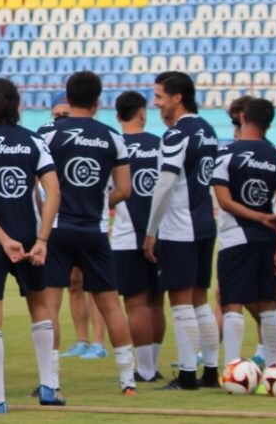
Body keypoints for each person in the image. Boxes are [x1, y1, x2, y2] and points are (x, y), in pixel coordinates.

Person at [0, 78, 60, 414]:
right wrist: (42, 239)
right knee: (41, 309)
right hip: (30, 237)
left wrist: (3, 240)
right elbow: (54, 192)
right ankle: (48, 387)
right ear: (18, 104)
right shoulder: (34, 141)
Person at [40, 72, 138, 400]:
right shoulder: (112, 137)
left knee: (49, 306)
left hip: (56, 229)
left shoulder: (48, 134)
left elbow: (35, 184)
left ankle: (51, 381)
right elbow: (124, 189)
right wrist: (98, 202)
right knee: (110, 304)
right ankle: (128, 380)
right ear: (98, 102)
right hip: (94, 230)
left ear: (67, 98)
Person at [143, 72, 221, 391]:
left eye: (160, 96)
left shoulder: (176, 135)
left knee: (180, 302)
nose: (156, 103)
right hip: (205, 223)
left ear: (178, 98)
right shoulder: (209, 130)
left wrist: (151, 231)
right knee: (200, 300)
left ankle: (188, 374)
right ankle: (211, 372)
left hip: (180, 226)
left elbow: (164, 186)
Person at [210, 98, 276, 371]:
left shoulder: (225, 154)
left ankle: (233, 369)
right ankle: (273, 368)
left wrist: (257, 217)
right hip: (268, 240)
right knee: (267, 302)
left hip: (236, 237)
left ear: (242, 116)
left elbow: (224, 201)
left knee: (232, 301)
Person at [43, 92, 105, 360]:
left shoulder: (94, 141)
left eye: (65, 115)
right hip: (61, 219)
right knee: (73, 282)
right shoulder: (50, 142)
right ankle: (82, 339)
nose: (60, 120)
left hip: (89, 219)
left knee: (95, 285)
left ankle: (99, 342)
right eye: (57, 116)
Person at [111, 91, 166, 383]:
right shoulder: (160, 145)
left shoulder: (115, 147)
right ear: (142, 113)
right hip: (161, 233)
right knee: (157, 301)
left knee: (136, 303)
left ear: (118, 116)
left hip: (127, 234)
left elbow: (111, 192)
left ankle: (144, 369)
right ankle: (151, 365)